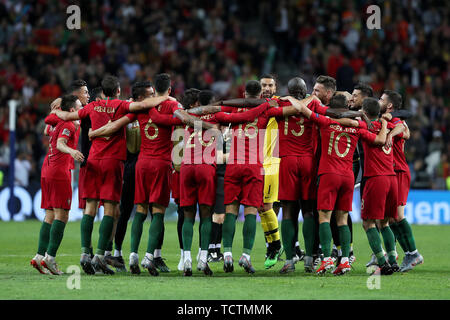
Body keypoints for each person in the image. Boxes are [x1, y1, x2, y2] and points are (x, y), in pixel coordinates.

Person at [55, 75, 172, 275]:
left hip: (93, 159)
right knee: (111, 210)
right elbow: (142, 105)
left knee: (90, 208)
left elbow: (66, 117)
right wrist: (166, 98)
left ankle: (85, 253)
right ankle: (100, 255)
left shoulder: (92, 107)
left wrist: (56, 108)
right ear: (118, 91)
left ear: (102, 91)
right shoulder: (122, 105)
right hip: (113, 161)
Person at [287, 93, 387, 275]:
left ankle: (326, 260)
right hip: (348, 177)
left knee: (324, 218)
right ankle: (345, 260)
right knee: (342, 219)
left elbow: (301, 109)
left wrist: (291, 97)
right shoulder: (358, 126)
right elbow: (379, 140)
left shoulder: (326, 122)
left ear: (331, 109)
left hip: (328, 174)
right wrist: (382, 123)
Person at [358, 97, 406, 275]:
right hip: (391, 178)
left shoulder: (364, 127)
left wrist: (384, 130)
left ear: (364, 111)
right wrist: (388, 129)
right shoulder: (389, 124)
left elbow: (378, 140)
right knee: (384, 222)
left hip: (375, 179)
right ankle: (393, 261)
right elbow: (403, 128)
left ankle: (382, 262)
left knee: (368, 223)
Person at [39, 95, 84, 274]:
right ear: (72, 110)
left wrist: (54, 111)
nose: (83, 107)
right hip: (59, 171)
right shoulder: (67, 124)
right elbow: (60, 143)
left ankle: (39, 257)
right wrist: (72, 151)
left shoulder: (60, 123)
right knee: (62, 215)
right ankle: (50, 258)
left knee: (50, 214)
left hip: (48, 169)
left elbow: (46, 130)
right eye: (80, 105)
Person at [379, 90, 424, 272]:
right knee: (389, 218)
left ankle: (413, 253)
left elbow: (403, 129)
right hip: (392, 171)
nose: (379, 100)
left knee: (397, 216)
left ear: (390, 105)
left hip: (398, 170)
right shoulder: (388, 117)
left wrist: (390, 135)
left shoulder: (393, 120)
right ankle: (407, 253)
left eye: (381, 99)